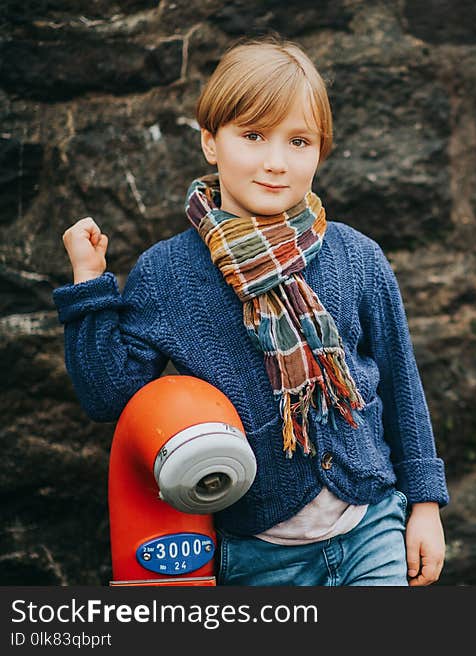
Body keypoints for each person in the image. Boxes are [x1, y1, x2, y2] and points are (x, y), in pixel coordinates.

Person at [53, 37, 449, 586]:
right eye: (253, 135)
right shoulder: (166, 273)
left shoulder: (357, 256)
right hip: (257, 552)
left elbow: (403, 386)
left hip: (371, 525)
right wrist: (89, 286)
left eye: (299, 141)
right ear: (211, 142)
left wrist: (424, 504)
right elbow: (106, 396)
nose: (275, 162)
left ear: (320, 151)